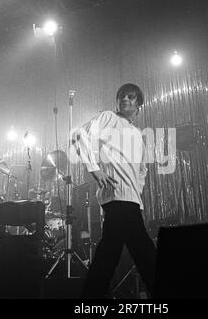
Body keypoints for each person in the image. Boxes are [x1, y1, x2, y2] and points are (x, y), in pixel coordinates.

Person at [72, 83, 156, 299]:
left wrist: (138, 198)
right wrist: (94, 169)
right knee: (142, 251)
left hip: (130, 201)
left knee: (110, 252)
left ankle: (90, 298)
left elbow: (142, 170)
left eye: (131, 97)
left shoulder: (138, 134)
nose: (125, 99)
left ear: (139, 105)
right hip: (116, 196)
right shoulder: (109, 117)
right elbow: (80, 136)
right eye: (122, 96)